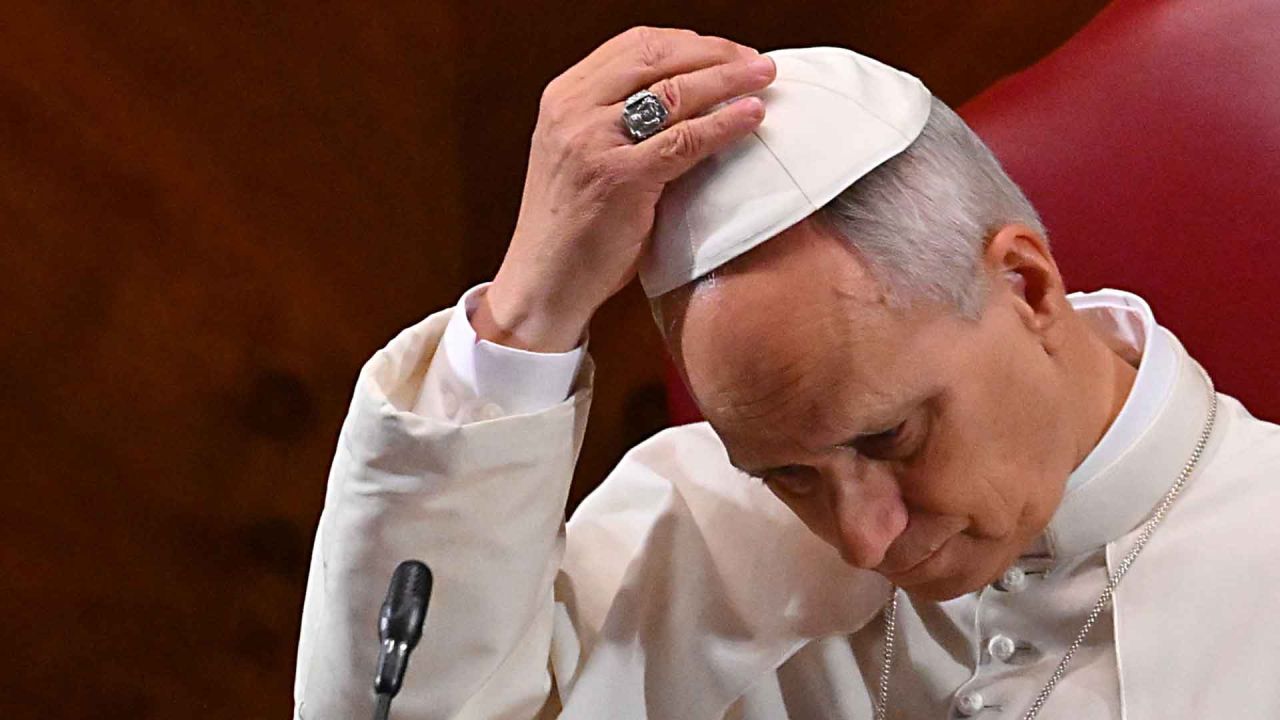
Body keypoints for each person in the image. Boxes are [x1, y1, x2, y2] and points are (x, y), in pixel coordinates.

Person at [293, 27, 1280, 720]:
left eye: (888, 438)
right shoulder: (697, 520)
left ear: (1023, 287)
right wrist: (526, 317)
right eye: (788, 475)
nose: (860, 540)